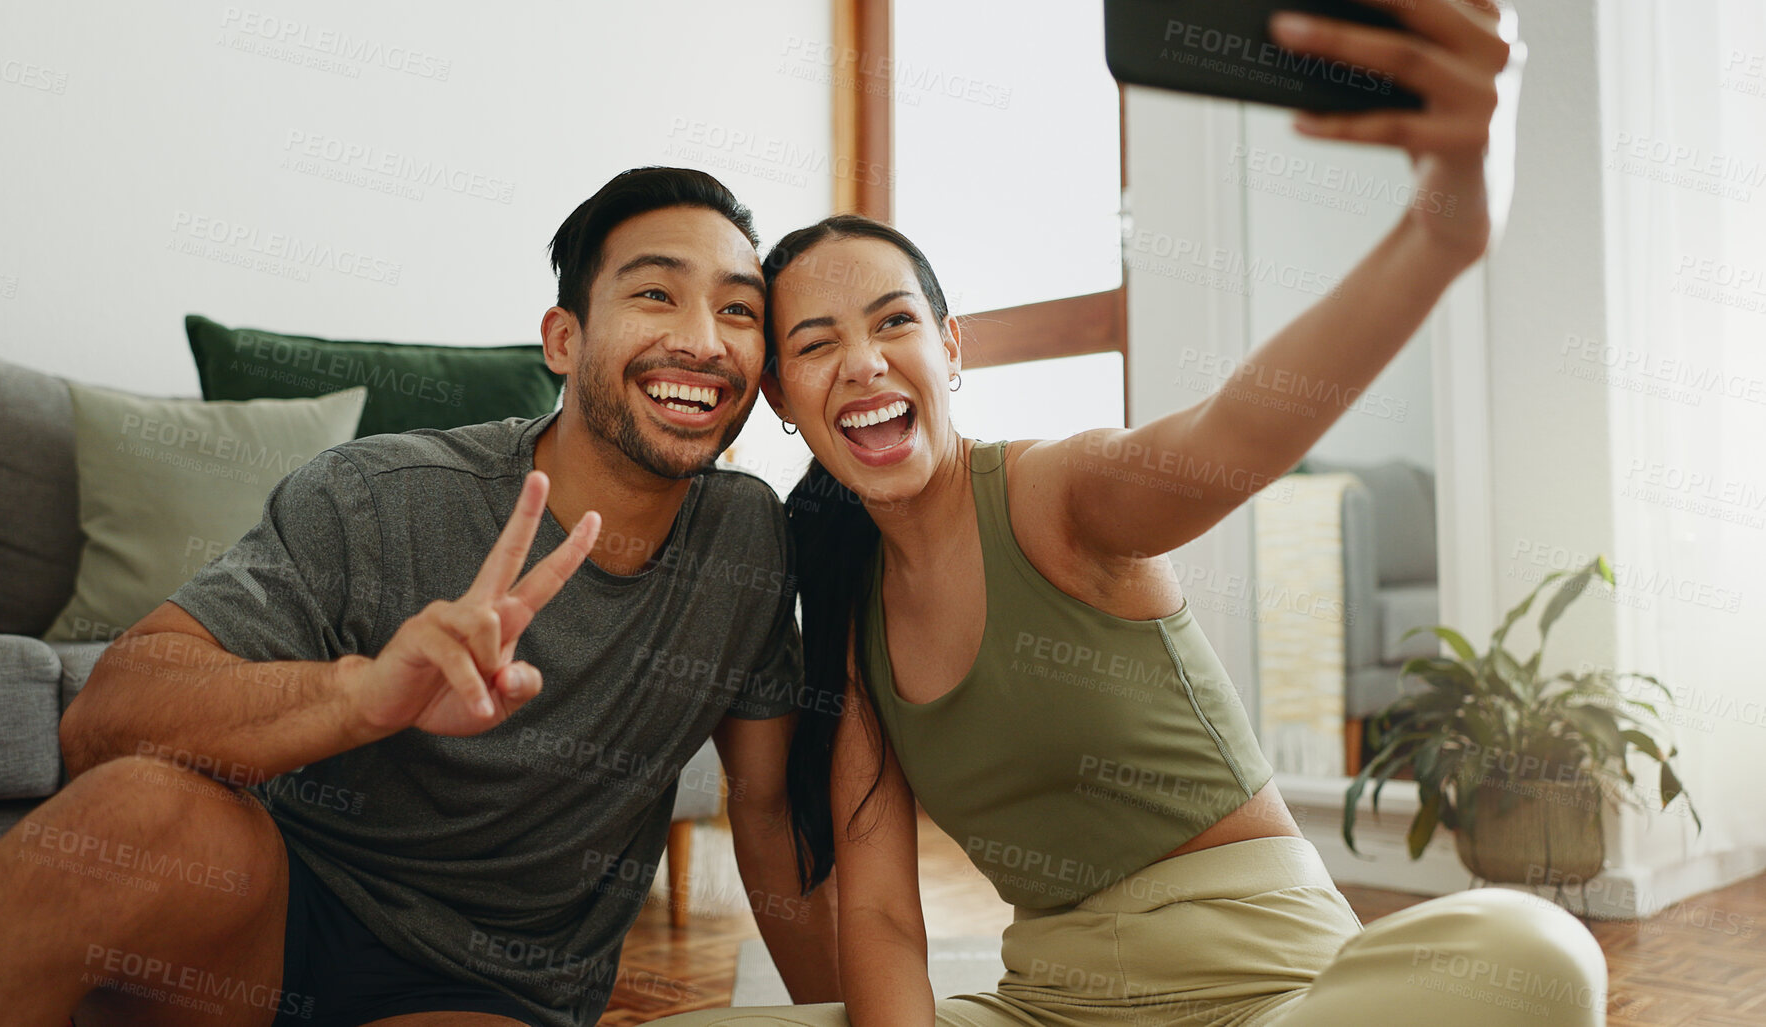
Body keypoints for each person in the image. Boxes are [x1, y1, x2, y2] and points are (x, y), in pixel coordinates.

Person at [649, 3, 1610, 1026]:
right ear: (787, 402)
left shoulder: (1058, 494)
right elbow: (882, 920)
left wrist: (1446, 226)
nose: (864, 362)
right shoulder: (847, 608)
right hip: (1048, 1007)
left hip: (1272, 995)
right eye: (815, 342)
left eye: (895, 322)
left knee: (1535, 952)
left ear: (953, 351)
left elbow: (1239, 429)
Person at [0, 167, 840, 1027]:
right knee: (140, 809)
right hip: (274, 919)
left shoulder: (746, 541)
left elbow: (759, 814)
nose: (705, 339)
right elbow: (105, 718)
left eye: (740, 309)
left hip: (492, 985)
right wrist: (362, 693)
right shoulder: (377, 496)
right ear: (563, 340)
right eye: (656, 294)